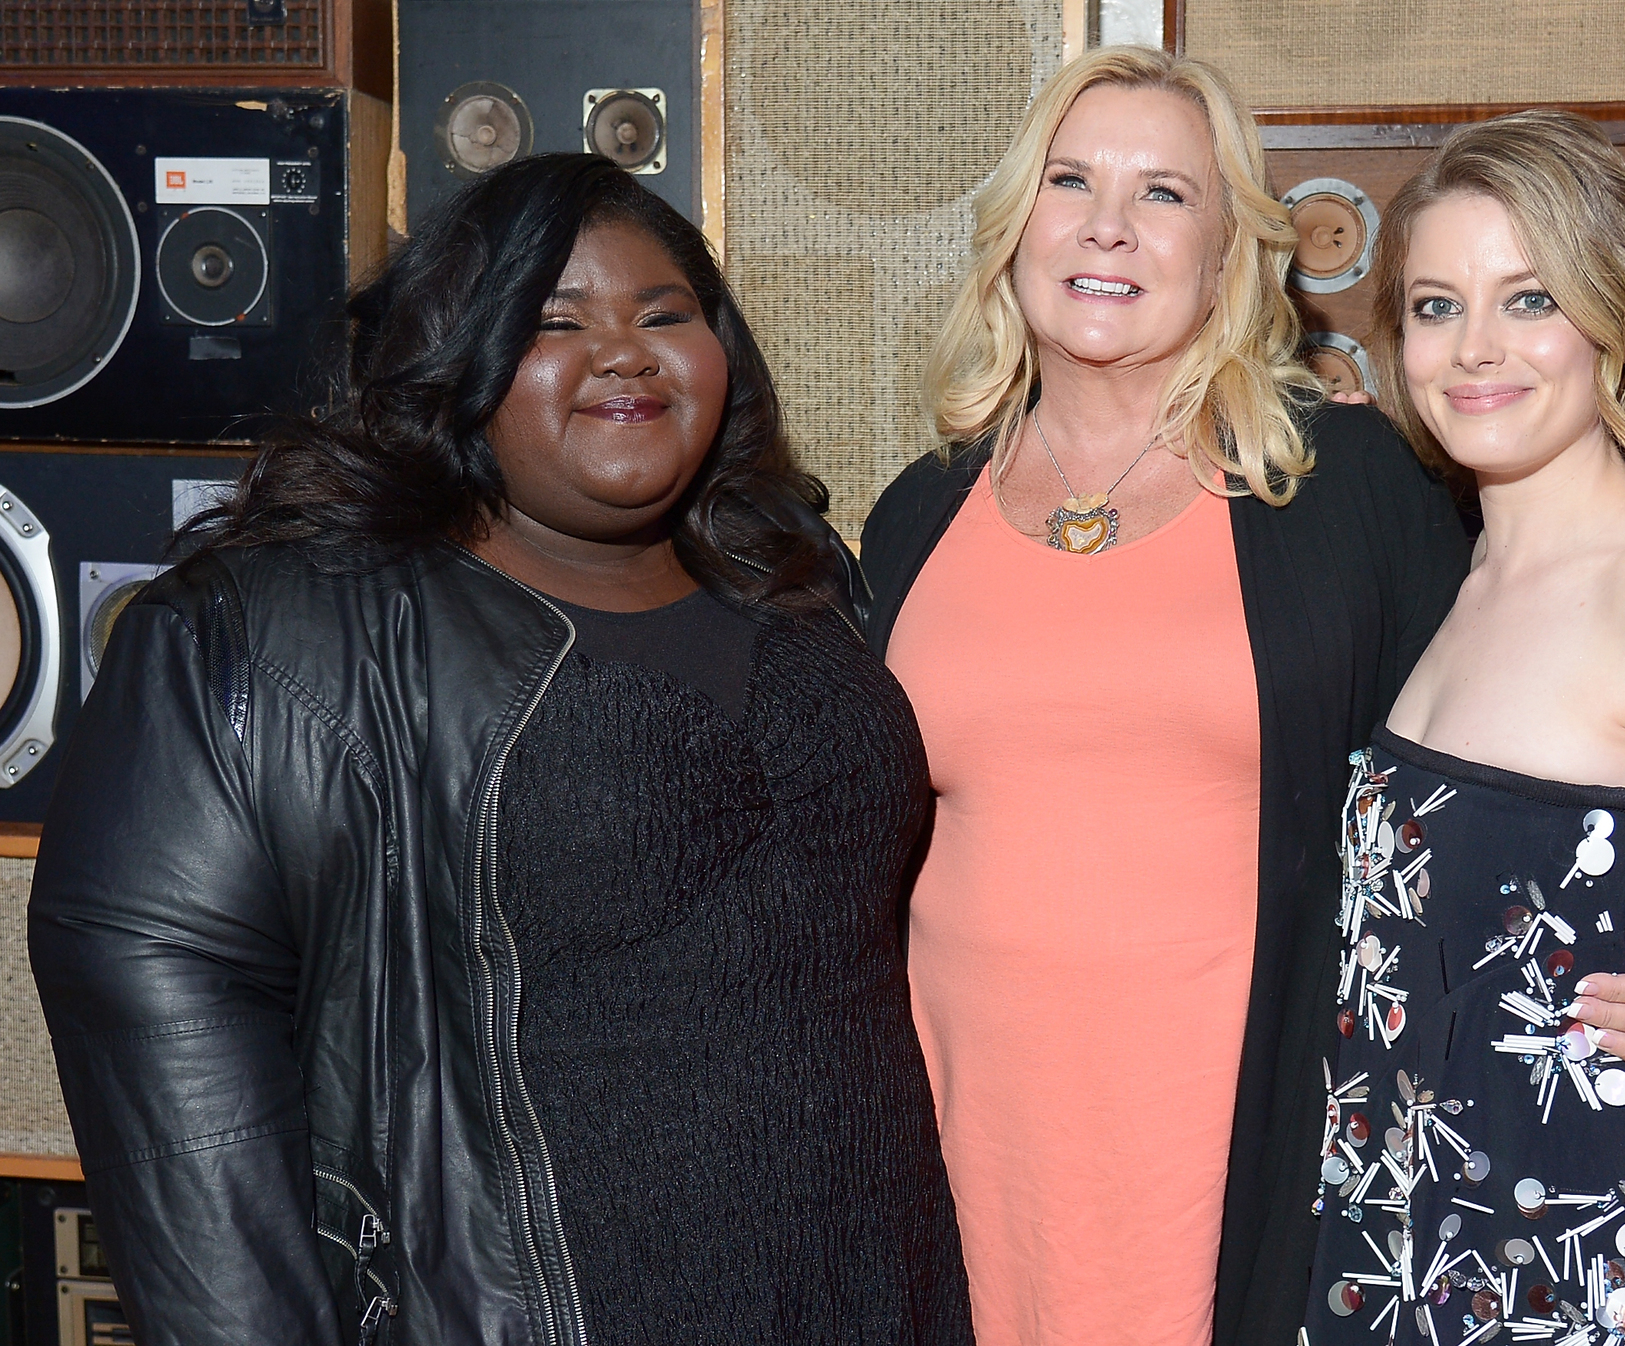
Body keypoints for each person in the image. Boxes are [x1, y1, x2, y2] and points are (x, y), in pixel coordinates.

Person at [29, 154, 971, 1346]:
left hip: (884, 1292)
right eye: (553, 321)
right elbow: (170, 1057)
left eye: (664, 315)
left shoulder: (798, 576)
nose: (622, 351)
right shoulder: (271, 634)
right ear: (455, 361)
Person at [859, 47, 1625, 1346]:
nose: (1106, 224)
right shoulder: (919, 513)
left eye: (1164, 194)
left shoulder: (1347, 490)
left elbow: (1545, 722)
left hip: (1256, 1155)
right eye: (1070, 179)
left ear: (1230, 252)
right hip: (970, 1145)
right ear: (1016, 222)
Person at [1300, 111, 1625, 1345]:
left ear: (1612, 320)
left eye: (1528, 299)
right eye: (1434, 306)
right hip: (1394, 1246)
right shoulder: (1455, 581)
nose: (1474, 348)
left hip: (1584, 1276)